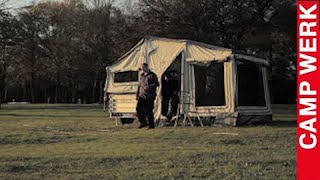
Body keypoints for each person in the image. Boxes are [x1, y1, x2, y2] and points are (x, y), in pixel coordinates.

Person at [136, 63, 159, 129]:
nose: (143, 69)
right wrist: (137, 94)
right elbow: (139, 86)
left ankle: (151, 125)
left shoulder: (152, 75)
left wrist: (148, 87)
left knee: (148, 110)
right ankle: (143, 122)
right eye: (142, 68)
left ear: (147, 67)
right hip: (141, 95)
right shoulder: (141, 76)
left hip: (149, 96)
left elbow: (156, 84)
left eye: (144, 67)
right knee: (138, 109)